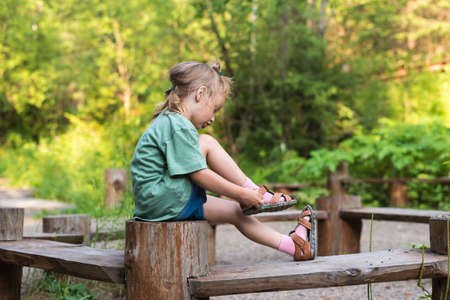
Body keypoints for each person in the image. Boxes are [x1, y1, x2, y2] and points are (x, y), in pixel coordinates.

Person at [131, 61, 316, 261]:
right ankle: (254, 191)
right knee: (207, 142)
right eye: (215, 109)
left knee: (237, 213)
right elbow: (198, 174)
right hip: (165, 198)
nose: (213, 118)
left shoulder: (170, 121)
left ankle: (295, 246)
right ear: (200, 94)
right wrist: (241, 194)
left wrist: (240, 199)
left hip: (160, 204)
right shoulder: (177, 125)